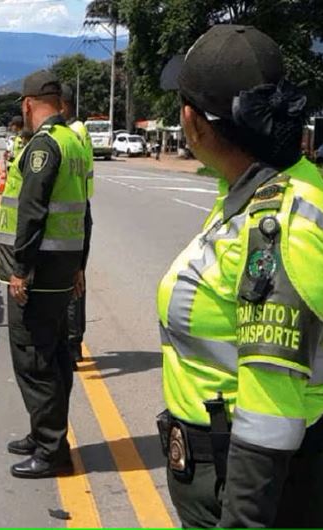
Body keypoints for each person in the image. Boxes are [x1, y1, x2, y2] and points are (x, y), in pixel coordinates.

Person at [157, 25, 323, 527]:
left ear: (194, 121)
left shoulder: (274, 225)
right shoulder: (270, 187)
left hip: (243, 483)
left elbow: (270, 413)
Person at [0, 70, 88, 479]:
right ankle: (43, 433)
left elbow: (31, 213)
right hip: (62, 269)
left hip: (38, 274)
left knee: (34, 358)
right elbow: (85, 212)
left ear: (28, 105)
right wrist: (81, 263)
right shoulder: (73, 143)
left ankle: (51, 450)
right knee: (56, 356)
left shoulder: (43, 147)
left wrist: (20, 269)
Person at [61, 83, 94, 366]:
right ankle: (73, 342)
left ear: (63, 106)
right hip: (80, 206)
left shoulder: (72, 132)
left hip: (73, 210)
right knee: (76, 276)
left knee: (72, 278)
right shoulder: (80, 131)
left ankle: (71, 344)